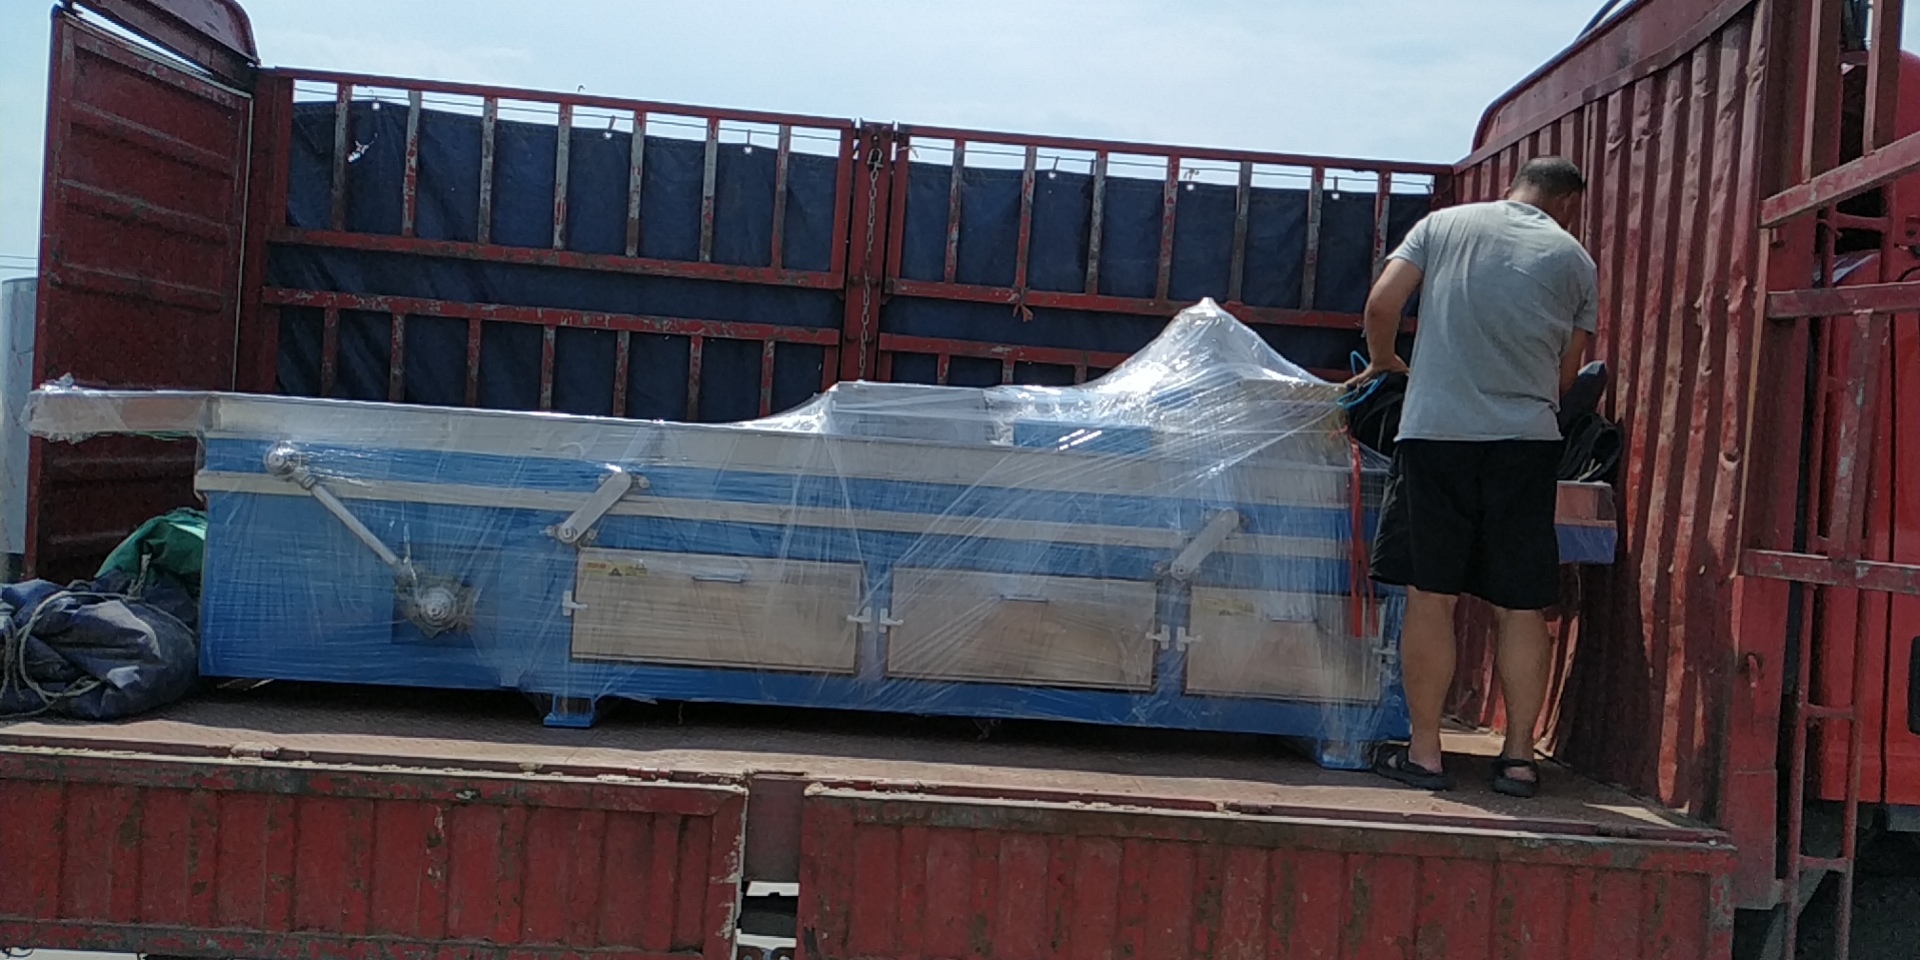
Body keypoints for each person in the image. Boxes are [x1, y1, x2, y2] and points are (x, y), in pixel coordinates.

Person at [1347, 156, 1597, 799]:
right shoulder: (1575, 259)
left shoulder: (1442, 226)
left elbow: (1382, 304)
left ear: (1515, 186)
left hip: (1436, 438)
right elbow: (1568, 373)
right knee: (1521, 605)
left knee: (1431, 596)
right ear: (1567, 203)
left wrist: (1385, 362)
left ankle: (1426, 754)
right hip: (1525, 446)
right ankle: (1518, 760)